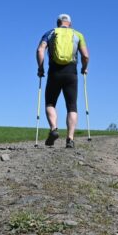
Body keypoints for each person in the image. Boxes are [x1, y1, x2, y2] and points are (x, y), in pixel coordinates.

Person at [36, 14, 89, 148]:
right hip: (71, 73)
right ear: (69, 24)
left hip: (54, 72)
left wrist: (40, 68)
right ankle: (70, 139)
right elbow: (85, 56)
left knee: (50, 103)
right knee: (72, 106)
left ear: (58, 22)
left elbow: (40, 49)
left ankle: (54, 129)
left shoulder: (50, 33)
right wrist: (84, 68)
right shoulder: (78, 35)